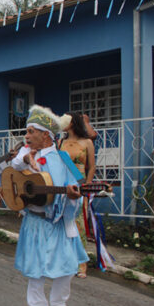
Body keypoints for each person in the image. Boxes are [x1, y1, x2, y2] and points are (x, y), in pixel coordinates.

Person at [10, 104, 86, 306]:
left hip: (59, 223)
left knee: (65, 269)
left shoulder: (64, 159)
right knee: (35, 270)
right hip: (34, 220)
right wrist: (27, 161)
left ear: (46, 135)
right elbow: (12, 167)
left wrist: (72, 198)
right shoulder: (25, 154)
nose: (27, 136)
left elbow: (78, 189)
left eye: (31, 131)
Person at [58, 112, 96, 278]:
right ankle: (64, 260)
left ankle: (81, 263)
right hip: (62, 185)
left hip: (79, 184)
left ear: (73, 123)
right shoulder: (60, 142)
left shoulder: (87, 142)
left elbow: (92, 167)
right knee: (61, 222)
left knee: (78, 223)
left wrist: (86, 185)